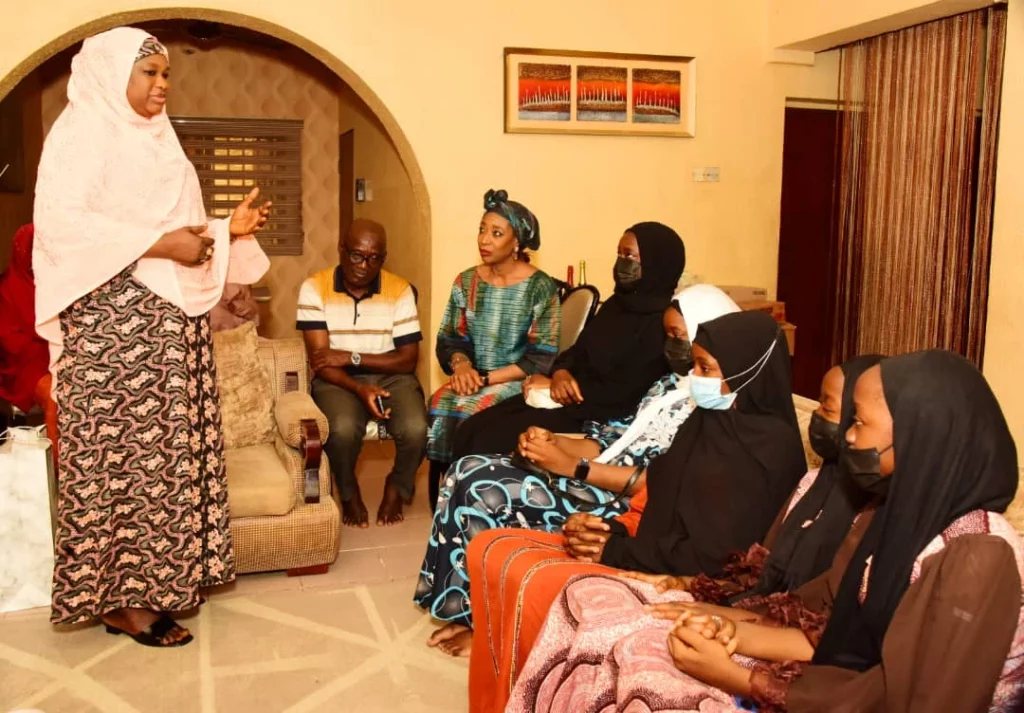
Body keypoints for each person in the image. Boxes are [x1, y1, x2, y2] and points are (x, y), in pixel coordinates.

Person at [519, 351, 1024, 712]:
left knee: (648, 678)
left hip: (846, 697)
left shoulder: (977, 556)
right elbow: (821, 607)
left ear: (918, 439)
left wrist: (740, 676)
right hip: (833, 681)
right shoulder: (894, 511)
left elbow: (919, 699)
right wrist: (726, 621)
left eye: (861, 423)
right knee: (592, 608)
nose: (847, 435)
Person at [35, 27, 271, 646]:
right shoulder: (81, 133)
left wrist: (227, 228)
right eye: (150, 74)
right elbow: (64, 228)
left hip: (171, 335)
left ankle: (166, 584)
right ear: (115, 76)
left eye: (167, 75)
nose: (162, 86)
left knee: (169, 462)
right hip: (114, 338)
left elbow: (184, 234)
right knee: (126, 465)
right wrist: (165, 242)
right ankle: (121, 602)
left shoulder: (163, 143)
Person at [465, 311, 808, 710]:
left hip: (701, 582)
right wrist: (611, 533)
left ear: (748, 371)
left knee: (542, 584)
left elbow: (716, 555)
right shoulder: (705, 421)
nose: (695, 377)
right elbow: (663, 500)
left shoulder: (767, 450)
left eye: (705, 368)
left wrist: (612, 551)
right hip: (650, 549)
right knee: (492, 546)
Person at [506, 355, 884, 712]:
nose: (839, 430)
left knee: (635, 646)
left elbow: (833, 634)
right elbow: (760, 571)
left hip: (776, 647)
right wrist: (684, 584)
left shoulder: (875, 511)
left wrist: (721, 620)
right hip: (745, 609)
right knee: (586, 594)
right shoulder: (815, 483)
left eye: (830, 410)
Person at [417, 285, 741, 655]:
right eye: (667, 335)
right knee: (467, 467)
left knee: (487, 490)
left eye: (678, 337)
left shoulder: (709, 401)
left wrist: (573, 467)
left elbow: (661, 485)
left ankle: (492, 630)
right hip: (596, 473)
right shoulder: (667, 385)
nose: (670, 346)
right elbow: (610, 442)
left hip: (622, 502)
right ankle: (466, 610)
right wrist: (552, 443)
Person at [450, 221, 686, 460]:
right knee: (472, 427)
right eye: (619, 254)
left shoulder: (664, 323)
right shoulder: (616, 306)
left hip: (596, 415)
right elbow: (576, 351)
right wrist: (561, 373)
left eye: (630, 256)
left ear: (658, 263)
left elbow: (625, 393)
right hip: (568, 400)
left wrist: (561, 389)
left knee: (488, 439)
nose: (622, 262)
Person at [426, 189, 560, 503]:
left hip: (515, 381)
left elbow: (540, 359)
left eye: (496, 233)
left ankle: (475, 488)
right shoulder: (466, 282)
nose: (484, 240)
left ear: (517, 242)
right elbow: (450, 338)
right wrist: (461, 365)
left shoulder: (540, 287)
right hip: (472, 375)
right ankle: (445, 492)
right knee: (440, 402)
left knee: (472, 408)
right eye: (482, 230)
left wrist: (484, 379)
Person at [297, 219, 427, 527]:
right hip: (337, 380)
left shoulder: (400, 290)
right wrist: (358, 388)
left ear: (383, 257)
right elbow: (321, 362)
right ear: (341, 249)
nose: (364, 266)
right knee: (341, 429)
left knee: (416, 428)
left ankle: (398, 486)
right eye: (356, 255)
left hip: (392, 376)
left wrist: (349, 356)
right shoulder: (314, 287)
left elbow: (407, 360)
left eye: (374, 258)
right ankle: (348, 491)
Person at [0, 225, 58, 457]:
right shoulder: (7, 289)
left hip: (58, 358)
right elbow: (11, 343)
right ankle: (60, 475)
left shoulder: (59, 287)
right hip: (23, 367)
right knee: (55, 396)